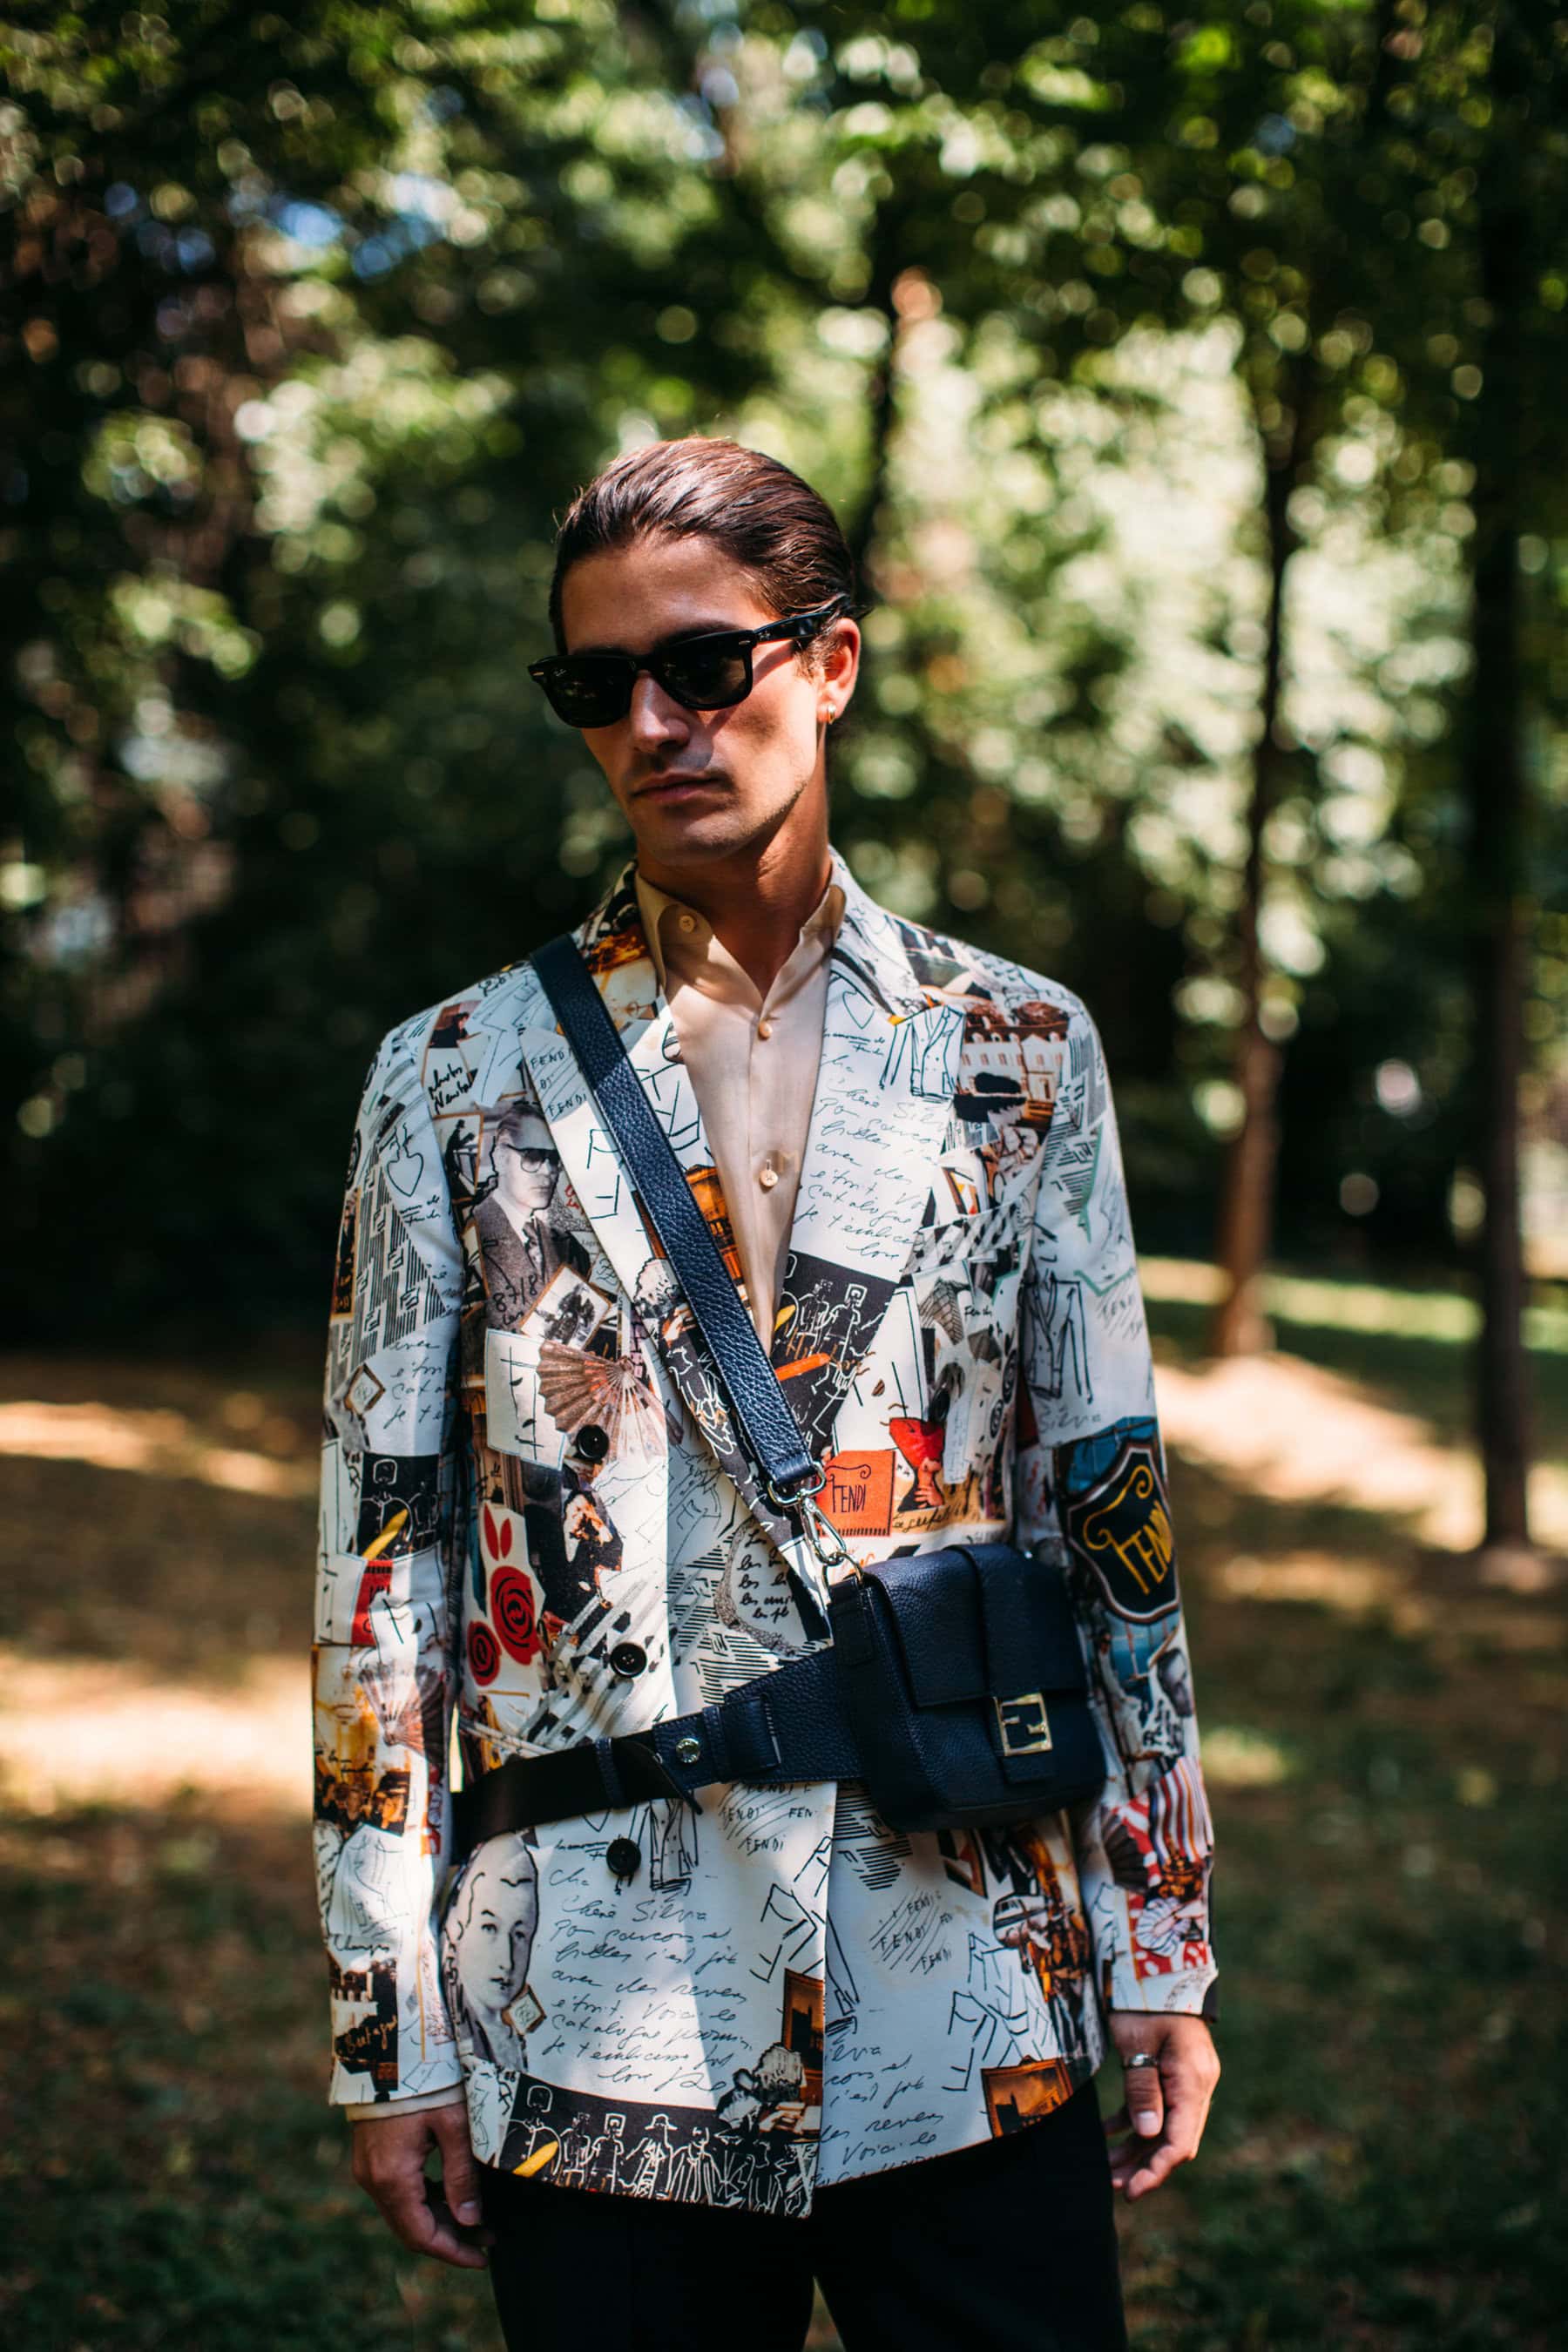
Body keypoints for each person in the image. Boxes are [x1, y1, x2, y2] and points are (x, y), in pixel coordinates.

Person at [314, 436, 1220, 2349]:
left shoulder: (1017, 1049)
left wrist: (1163, 1935)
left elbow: (1111, 1513)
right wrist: (388, 2022)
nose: (654, 722)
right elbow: (380, 1578)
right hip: (596, 2007)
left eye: (703, 664)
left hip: (973, 1979)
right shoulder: (451, 1076)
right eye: (599, 686)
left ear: (831, 663)